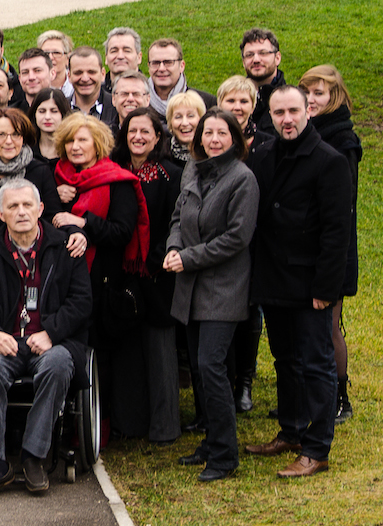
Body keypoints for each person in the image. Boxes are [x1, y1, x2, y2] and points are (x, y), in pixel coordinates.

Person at [0, 177, 91, 501]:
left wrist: (52, 332)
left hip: (48, 341)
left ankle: (34, 456)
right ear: (1, 213)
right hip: (4, 342)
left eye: (27, 205)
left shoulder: (66, 249)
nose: (21, 212)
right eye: (13, 206)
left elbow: (81, 302)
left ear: (41, 209)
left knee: (60, 363)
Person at [244, 86, 351, 478]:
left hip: (310, 284)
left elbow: (337, 233)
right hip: (274, 278)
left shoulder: (329, 161)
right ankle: (290, 431)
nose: (286, 119)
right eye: (278, 112)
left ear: (308, 110)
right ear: (269, 114)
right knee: (285, 360)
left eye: (293, 110)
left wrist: (326, 289)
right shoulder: (265, 152)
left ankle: (317, 448)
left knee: (316, 364)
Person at [167, 109, 259, 482]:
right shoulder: (193, 169)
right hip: (190, 286)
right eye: (209, 133)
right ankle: (210, 440)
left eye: (223, 133)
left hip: (223, 286)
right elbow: (177, 218)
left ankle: (225, 454)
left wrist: (186, 258)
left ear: (235, 138)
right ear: (200, 138)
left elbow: (237, 238)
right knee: (201, 371)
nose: (215, 139)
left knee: (212, 367)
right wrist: (173, 248)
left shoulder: (243, 178)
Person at [50, 113, 150, 443]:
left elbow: (122, 232)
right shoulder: (56, 178)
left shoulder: (117, 180)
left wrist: (84, 222)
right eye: (70, 141)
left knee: (100, 358)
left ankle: (96, 429)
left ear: (98, 144)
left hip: (102, 283)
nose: (76, 147)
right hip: (61, 284)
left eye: (83, 140)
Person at [109, 107, 182, 444]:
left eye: (145, 132)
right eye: (132, 131)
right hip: (122, 274)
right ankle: (130, 423)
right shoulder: (114, 170)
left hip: (158, 274)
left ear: (157, 137)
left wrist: (156, 261)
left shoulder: (171, 174)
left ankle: (164, 427)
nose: (138, 137)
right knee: (127, 353)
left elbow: (174, 221)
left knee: (160, 354)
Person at [298, 65, 362, 424]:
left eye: (319, 94)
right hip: (306, 248)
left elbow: (340, 207)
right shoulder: (309, 132)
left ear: (334, 96)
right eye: (307, 93)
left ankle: (340, 398)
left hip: (332, 249)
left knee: (329, 326)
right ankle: (313, 394)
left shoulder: (342, 140)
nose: (311, 100)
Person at [216, 75, 270, 416]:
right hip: (218, 237)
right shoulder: (214, 139)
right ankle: (226, 376)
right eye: (230, 101)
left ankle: (245, 382)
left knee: (250, 311)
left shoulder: (264, 143)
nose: (237, 107)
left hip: (254, 237)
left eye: (243, 102)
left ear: (253, 106)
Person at [0, 107, 70, 251]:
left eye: (16, 134)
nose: (9, 141)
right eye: (1, 134)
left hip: (33, 258)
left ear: (23, 137)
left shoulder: (40, 171)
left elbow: (51, 219)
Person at [147, 38, 216, 115]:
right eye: (155, 63)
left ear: (181, 66)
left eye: (168, 62)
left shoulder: (208, 103)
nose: (161, 68)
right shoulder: (138, 104)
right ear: (149, 67)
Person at [240, 28, 285, 135]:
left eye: (263, 53)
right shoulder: (232, 100)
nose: (256, 59)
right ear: (243, 62)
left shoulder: (291, 100)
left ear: (277, 58)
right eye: (250, 55)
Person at [67, 47, 118, 128]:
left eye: (91, 72)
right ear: (69, 76)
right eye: (78, 73)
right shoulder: (60, 109)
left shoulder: (117, 108)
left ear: (103, 74)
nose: (85, 79)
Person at [27, 88, 72, 164]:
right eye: (42, 111)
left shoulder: (71, 150)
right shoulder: (26, 149)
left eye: (54, 111)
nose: (47, 117)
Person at [164, 91, 206, 167]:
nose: (184, 123)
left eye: (190, 116)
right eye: (178, 117)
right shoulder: (161, 153)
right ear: (170, 122)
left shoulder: (210, 151)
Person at [102, 27, 143, 94]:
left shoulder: (152, 94)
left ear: (139, 57)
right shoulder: (96, 95)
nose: (120, 56)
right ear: (106, 58)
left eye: (127, 51)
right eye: (114, 51)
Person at [38, 30, 75, 98]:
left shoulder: (76, 86)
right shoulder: (33, 86)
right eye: (45, 53)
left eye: (56, 53)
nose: (50, 57)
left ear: (68, 58)